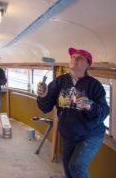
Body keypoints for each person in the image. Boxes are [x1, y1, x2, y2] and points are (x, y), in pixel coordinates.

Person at [37, 47, 109, 178]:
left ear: (88, 64)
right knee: (68, 171)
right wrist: (44, 95)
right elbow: (45, 107)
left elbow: (103, 112)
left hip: (90, 135)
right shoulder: (60, 82)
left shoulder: (94, 85)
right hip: (68, 135)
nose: (75, 59)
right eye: (73, 57)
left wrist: (90, 106)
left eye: (79, 57)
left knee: (76, 166)